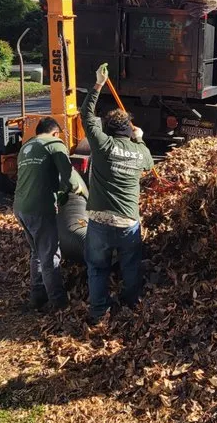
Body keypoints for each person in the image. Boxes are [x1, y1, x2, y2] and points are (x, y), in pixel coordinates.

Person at [81, 64, 154, 322]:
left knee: (98, 267)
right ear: (128, 130)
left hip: (100, 221)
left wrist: (98, 85)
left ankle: (99, 310)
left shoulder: (102, 145)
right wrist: (141, 138)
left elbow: (86, 116)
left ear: (109, 129)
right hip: (128, 223)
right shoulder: (140, 152)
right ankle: (132, 302)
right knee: (130, 266)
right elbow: (149, 164)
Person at [13, 116, 87, 311]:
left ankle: (37, 297)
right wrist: (76, 189)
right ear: (55, 132)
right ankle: (57, 302)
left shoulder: (26, 147)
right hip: (39, 208)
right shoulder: (55, 144)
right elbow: (69, 176)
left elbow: (38, 175)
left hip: (20, 207)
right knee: (50, 255)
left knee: (37, 252)